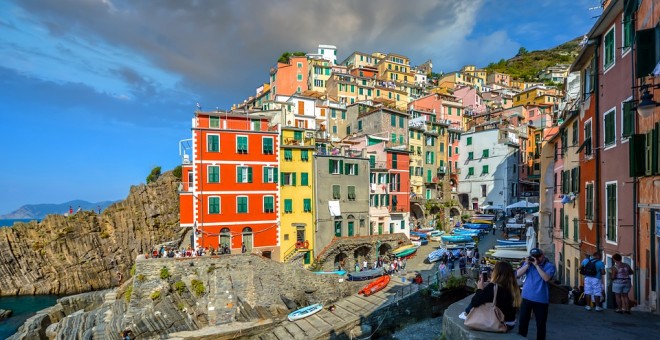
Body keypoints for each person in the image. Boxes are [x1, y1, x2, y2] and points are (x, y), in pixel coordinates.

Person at [460, 261, 521, 332]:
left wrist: (479, 289)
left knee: (479, 301)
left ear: (497, 273)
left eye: (493, 270)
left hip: (500, 323)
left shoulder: (493, 287)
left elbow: (475, 302)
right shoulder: (515, 288)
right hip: (511, 323)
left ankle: (466, 313)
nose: (492, 272)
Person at [516, 248, 556, 340]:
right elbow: (518, 273)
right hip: (526, 297)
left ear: (542, 256)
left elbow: (546, 278)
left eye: (537, 257)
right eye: (533, 257)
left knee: (541, 324)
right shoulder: (528, 264)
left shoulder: (549, 266)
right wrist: (527, 265)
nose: (535, 259)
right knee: (523, 321)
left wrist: (537, 266)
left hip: (541, 299)